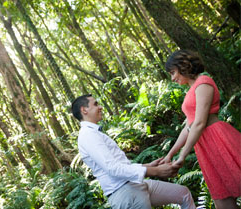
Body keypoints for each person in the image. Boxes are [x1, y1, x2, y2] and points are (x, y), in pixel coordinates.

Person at [72, 94, 196, 209]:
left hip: (135, 183)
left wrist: (147, 166)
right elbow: (113, 168)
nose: (100, 107)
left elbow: (120, 165)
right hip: (124, 192)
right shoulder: (88, 135)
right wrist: (156, 171)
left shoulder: (94, 133)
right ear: (84, 110)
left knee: (183, 193)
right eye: (95, 104)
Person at [160, 49, 241, 209]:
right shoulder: (191, 90)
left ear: (183, 65)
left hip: (218, 138)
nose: (173, 78)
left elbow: (199, 123)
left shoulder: (203, 82)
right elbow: (188, 126)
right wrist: (170, 154)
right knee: (222, 200)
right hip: (205, 146)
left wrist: (183, 155)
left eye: (173, 72)